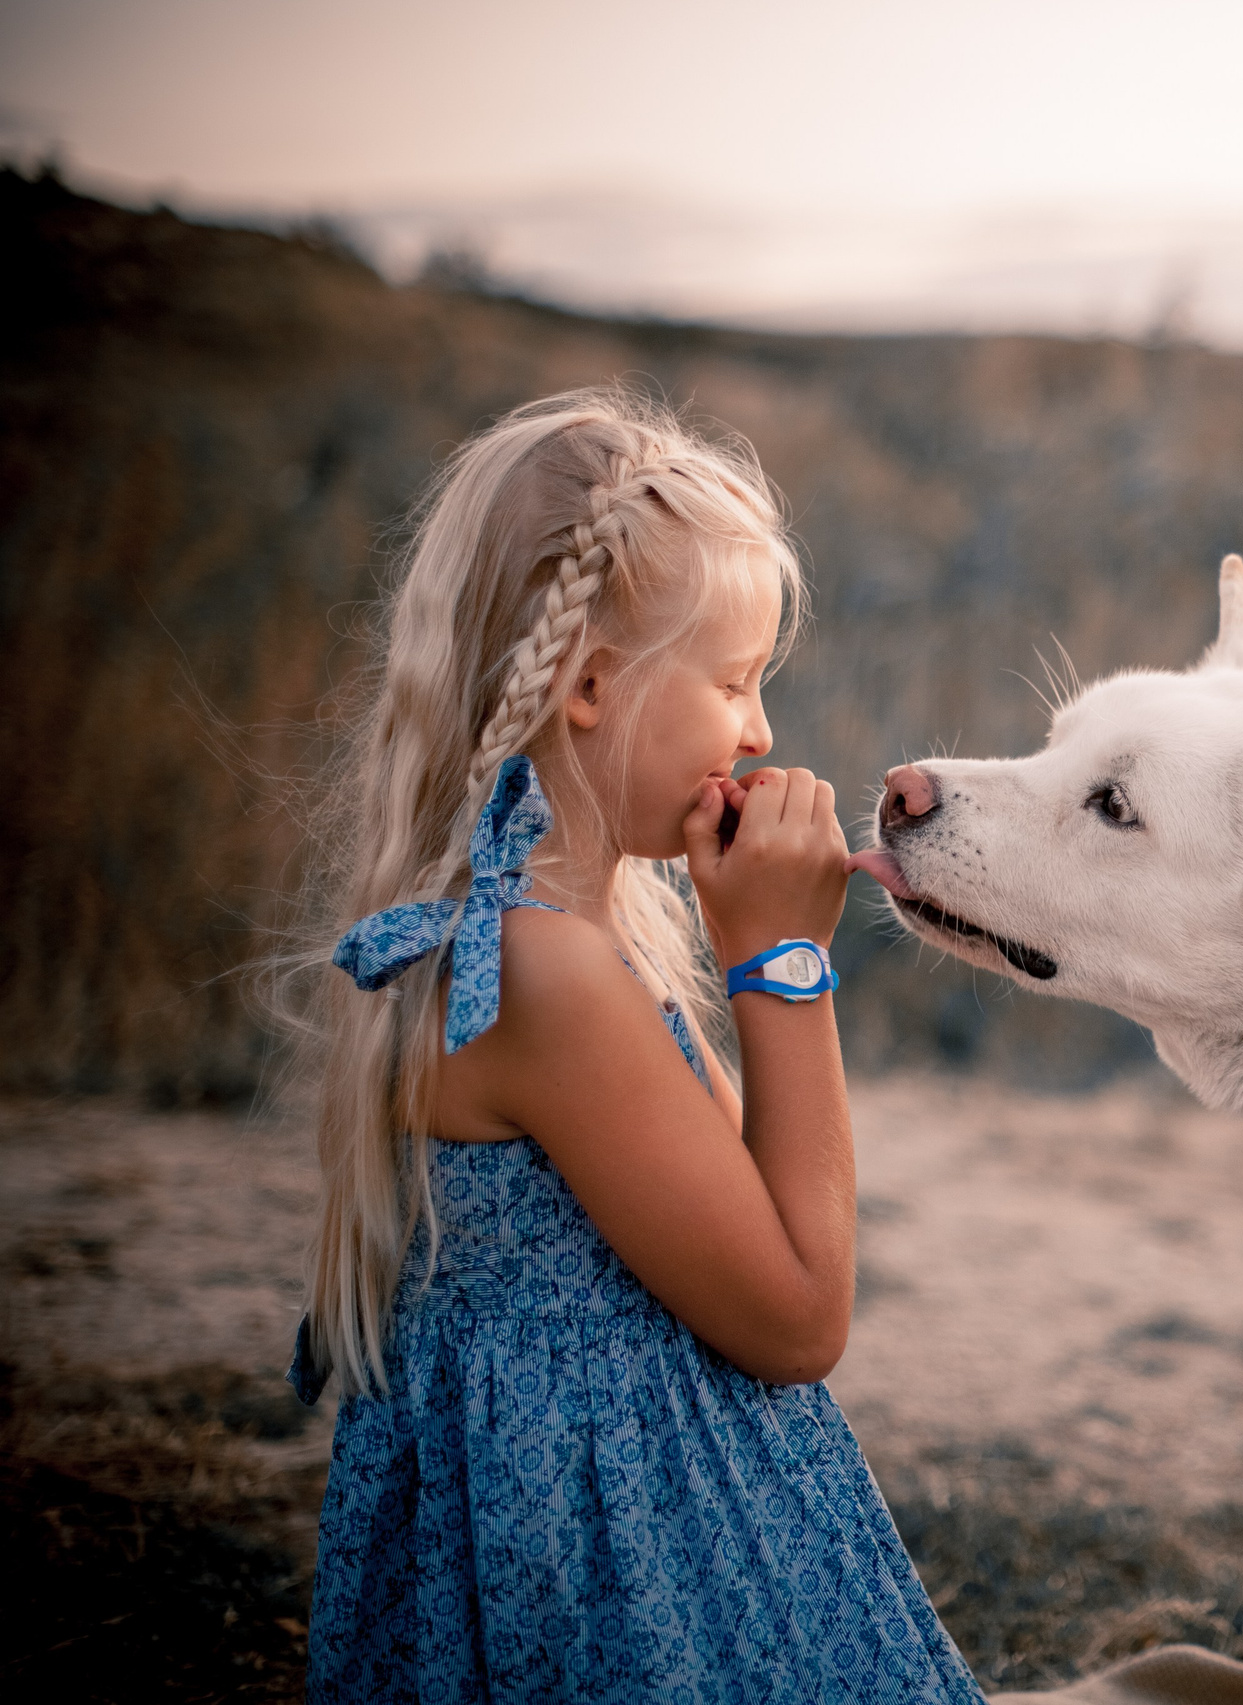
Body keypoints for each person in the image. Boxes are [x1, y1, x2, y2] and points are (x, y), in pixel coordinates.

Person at [279, 387, 981, 1702]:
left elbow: (743, 1212)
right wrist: (783, 964)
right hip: (618, 1570)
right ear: (592, 685)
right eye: (732, 680)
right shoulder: (542, 971)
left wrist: (739, 933)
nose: (760, 731)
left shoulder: (559, 935)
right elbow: (798, 1313)